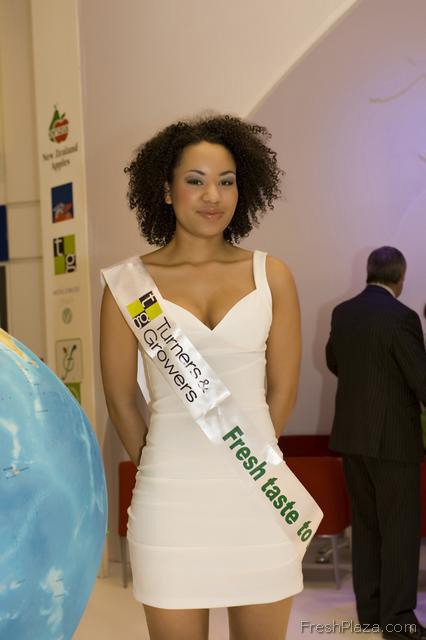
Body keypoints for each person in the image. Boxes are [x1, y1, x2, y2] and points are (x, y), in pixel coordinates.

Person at [100, 114, 303, 640]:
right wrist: (159, 463)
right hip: (170, 504)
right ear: (166, 191)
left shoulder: (271, 275)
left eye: (226, 181)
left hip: (259, 497)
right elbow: (120, 399)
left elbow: (282, 388)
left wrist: (250, 457)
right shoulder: (128, 286)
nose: (213, 196)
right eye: (196, 180)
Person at [326, 246, 426, 640]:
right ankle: (398, 620)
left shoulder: (343, 313)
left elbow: (334, 362)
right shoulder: (402, 317)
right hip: (394, 441)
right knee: (399, 530)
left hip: (351, 437)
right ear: (400, 277)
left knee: (366, 527)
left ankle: (369, 611)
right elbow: (420, 380)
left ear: (369, 272)